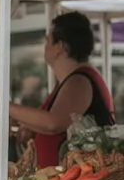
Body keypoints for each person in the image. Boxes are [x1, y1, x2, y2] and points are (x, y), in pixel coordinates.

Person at [9, 12, 114, 167]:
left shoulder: (80, 81)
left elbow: (54, 123)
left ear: (59, 47)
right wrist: (29, 126)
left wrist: (5, 107)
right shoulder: (73, 80)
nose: (45, 46)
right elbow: (56, 122)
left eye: (48, 40)